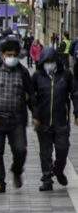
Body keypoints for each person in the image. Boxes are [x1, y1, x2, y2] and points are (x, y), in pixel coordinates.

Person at [0, 37, 35, 194]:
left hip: (17, 119)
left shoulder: (23, 73)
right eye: (8, 54)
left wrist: (36, 114)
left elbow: (31, 95)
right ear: (2, 54)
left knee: (20, 150)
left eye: (14, 55)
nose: (11, 57)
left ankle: (17, 170)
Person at [31, 47, 78, 191]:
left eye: (52, 61)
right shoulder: (37, 76)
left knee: (62, 149)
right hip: (43, 121)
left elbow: (75, 93)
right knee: (45, 152)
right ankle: (47, 179)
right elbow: (32, 98)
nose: (49, 64)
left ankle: (58, 170)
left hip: (61, 121)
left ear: (56, 61)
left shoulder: (66, 75)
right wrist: (35, 115)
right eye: (47, 61)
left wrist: (77, 112)